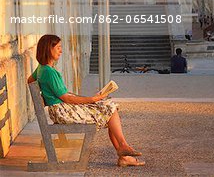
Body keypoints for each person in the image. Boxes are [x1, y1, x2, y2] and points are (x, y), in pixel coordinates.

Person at [27, 34, 145, 168]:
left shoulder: (42, 68)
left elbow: (30, 80)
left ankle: (124, 152)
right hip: (63, 111)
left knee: (109, 107)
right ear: (48, 49)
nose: (61, 51)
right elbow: (67, 98)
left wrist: (46, 95)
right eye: (58, 48)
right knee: (109, 108)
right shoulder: (49, 72)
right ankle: (124, 151)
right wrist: (92, 99)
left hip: (59, 109)